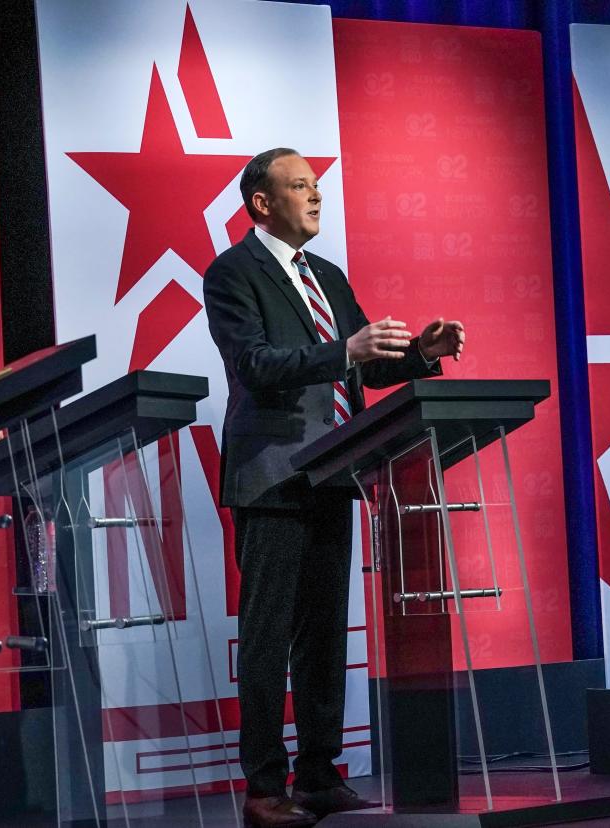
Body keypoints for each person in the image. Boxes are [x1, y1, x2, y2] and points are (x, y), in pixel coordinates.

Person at [204, 148, 464, 828]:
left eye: (318, 186)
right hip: (272, 478)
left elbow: (362, 370)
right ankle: (265, 786)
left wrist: (419, 355)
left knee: (323, 636)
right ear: (261, 202)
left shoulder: (327, 276)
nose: (316, 197)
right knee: (268, 637)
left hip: (335, 471)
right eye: (300, 186)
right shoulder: (233, 273)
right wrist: (344, 351)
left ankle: (319, 773)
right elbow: (257, 365)